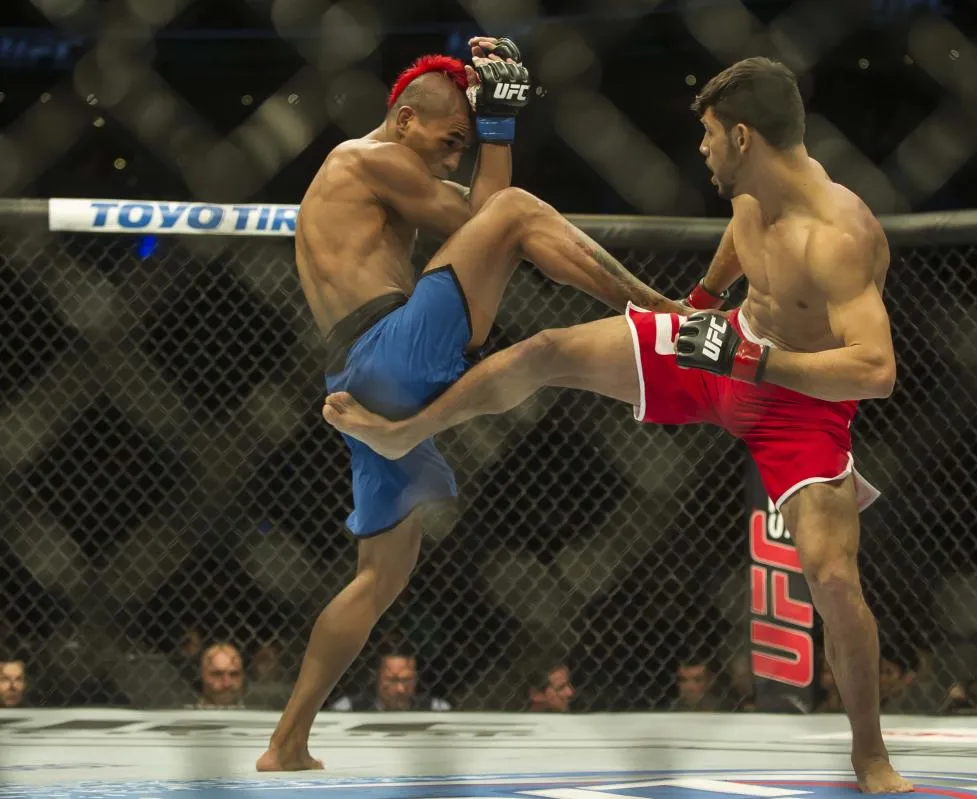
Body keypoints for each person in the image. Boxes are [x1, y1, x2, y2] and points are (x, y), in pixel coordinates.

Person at [323, 57, 911, 794]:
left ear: (742, 137)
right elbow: (744, 239)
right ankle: (408, 430)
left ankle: (870, 756)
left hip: (798, 402)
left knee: (832, 578)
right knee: (545, 350)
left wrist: (752, 360)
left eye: (708, 134)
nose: (700, 148)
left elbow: (875, 370)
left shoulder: (840, 234)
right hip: (720, 348)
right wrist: (704, 300)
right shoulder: (753, 190)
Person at [257, 41, 687, 772]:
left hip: (360, 377)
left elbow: (473, 218)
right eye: (449, 139)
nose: (454, 156)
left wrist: (491, 127)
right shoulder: (369, 157)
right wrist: (499, 129)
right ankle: (667, 314)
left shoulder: (371, 173)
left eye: (464, 144)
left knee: (379, 575)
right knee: (516, 210)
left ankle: (286, 740)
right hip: (387, 348)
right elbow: (491, 215)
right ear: (404, 120)